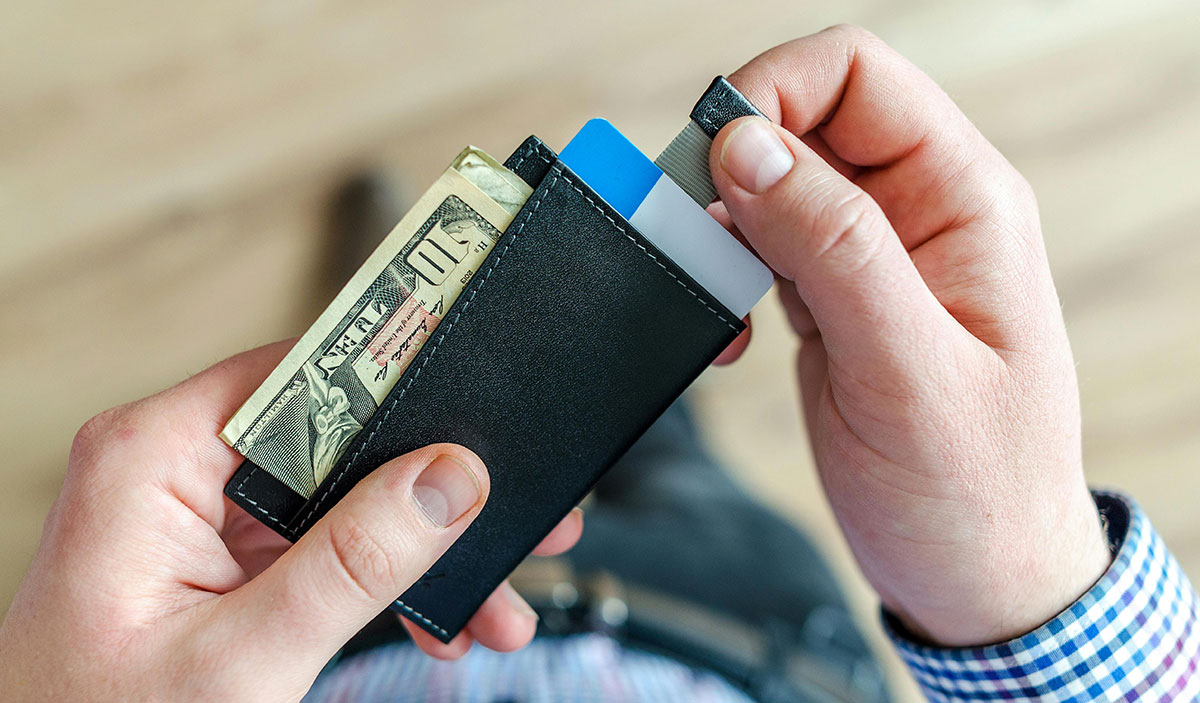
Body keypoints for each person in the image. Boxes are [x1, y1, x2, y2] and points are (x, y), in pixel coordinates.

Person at [1, 25, 1196, 702]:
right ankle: (600, 349)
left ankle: (467, 312)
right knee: (647, 414)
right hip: (747, 625)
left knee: (496, 386)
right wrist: (1025, 588)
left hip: (348, 642)